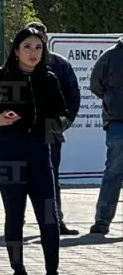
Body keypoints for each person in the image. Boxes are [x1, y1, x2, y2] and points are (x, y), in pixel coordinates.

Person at [0, 26, 72, 275]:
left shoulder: (48, 78)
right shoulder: (1, 77)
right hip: (8, 152)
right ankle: (19, 274)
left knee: (49, 215)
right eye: (27, 47)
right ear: (16, 51)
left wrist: (55, 124)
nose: (33, 53)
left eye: (38, 47)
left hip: (40, 152)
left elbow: (62, 113)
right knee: (15, 215)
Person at [28, 22, 81, 235]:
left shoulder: (60, 65)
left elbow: (73, 95)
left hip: (50, 128)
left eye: (39, 40)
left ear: (46, 39)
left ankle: (55, 223)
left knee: (51, 179)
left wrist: (65, 121)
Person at [89, 35, 123, 235]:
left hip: (116, 119)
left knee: (112, 173)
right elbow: (96, 86)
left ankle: (102, 222)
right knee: (113, 173)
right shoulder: (109, 56)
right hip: (118, 122)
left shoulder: (108, 55)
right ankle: (102, 221)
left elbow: (96, 86)